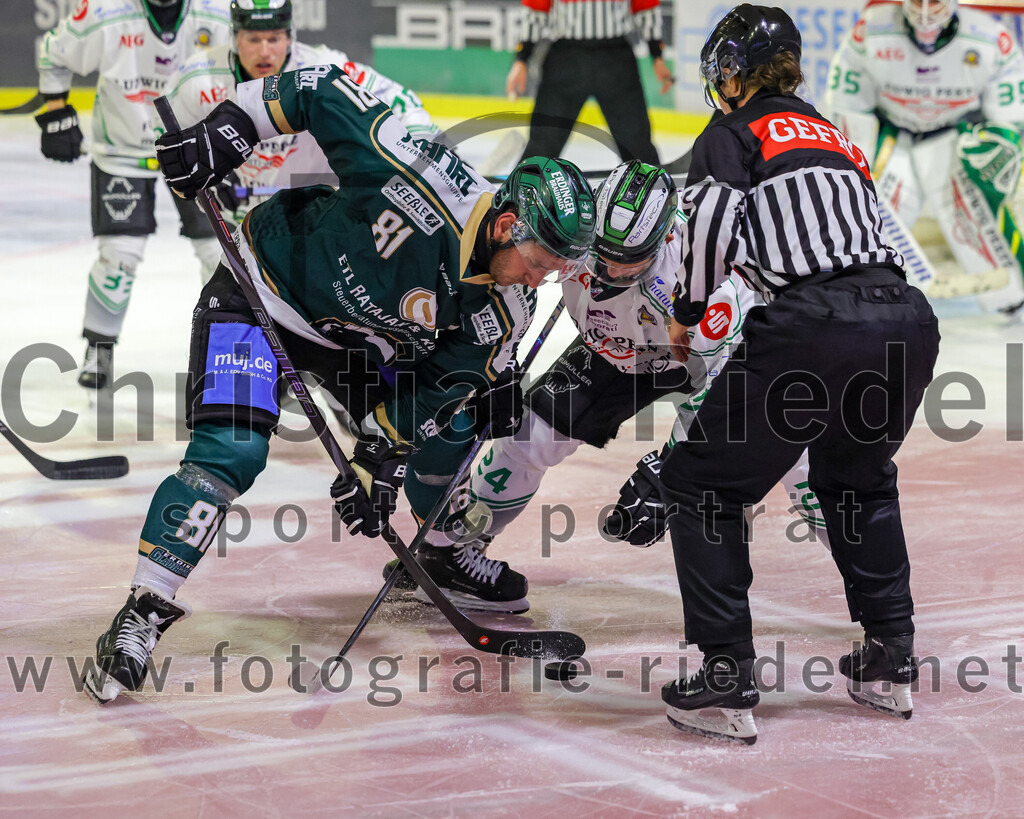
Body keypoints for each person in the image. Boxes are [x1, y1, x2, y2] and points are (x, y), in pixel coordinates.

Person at [83, 62, 596, 703]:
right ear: (505, 227)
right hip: (261, 292)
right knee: (230, 451)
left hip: (354, 343)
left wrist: (378, 456)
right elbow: (319, 89)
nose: (540, 281)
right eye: (539, 264)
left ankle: (438, 550)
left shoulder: (505, 312)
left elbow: (436, 388)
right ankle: (143, 611)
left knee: (463, 419)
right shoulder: (418, 177)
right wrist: (231, 128)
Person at [632, 4, 940, 744]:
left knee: (699, 481)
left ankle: (725, 675)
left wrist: (687, 312)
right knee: (856, 479)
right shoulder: (836, 136)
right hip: (905, 320)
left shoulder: (731, 135)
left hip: (816, 325)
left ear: (728, 71)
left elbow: (707, 232)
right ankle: (888, 661)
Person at [385, 160, 830, 615]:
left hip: (716, 359)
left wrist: (669, 471)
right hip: (615, 351)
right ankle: (448, 552)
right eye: (603, 254)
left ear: (665, 240)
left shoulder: (700, 284)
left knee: (799, 462)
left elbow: (723, 389)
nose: (610, 272)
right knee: (527, 436)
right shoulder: (577, 236)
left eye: (629, 261)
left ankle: (880, 610)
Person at [36, 0, 232, 391]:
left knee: (221, 254)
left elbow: (248, 68)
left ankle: (228, 350)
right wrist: (55, 110)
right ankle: (99, 345)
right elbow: (53, 52)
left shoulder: (218, 12)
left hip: (196, 148)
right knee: (119, 255)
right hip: (122, 150)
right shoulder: (105, 10)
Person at [823, 0, 1024, 316]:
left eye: (934, 1)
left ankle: (1010, 300)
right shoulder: (873, 30)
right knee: (869, 220)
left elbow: (1010, 102)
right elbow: (848, 102)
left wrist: (1000, 139)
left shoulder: (988, 37)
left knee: (975, 223)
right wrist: (857, 158)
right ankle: (861, 298)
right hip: (895, 138)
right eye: (918, 0)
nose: (926, 11)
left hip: (952, 139)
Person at [169, 0, 441, 228]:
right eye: (253, 39)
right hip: (236, 221)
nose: (264, 51)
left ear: (290, 38)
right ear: (235, 38)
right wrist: (202, 183)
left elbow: (405, 103)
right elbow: (171, 147)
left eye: (274, 38)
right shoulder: (198, 78)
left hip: (314, 222)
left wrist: (419, 164)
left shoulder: (323, 69)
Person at [506, 0, 674, 165]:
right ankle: (527, 188)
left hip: (615, 59)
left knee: (636, 143)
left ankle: (651, 190)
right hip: (567, 59)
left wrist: (657, 56)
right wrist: (521, 59)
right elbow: (536, 9)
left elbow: (645, 6)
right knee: (544, 141)